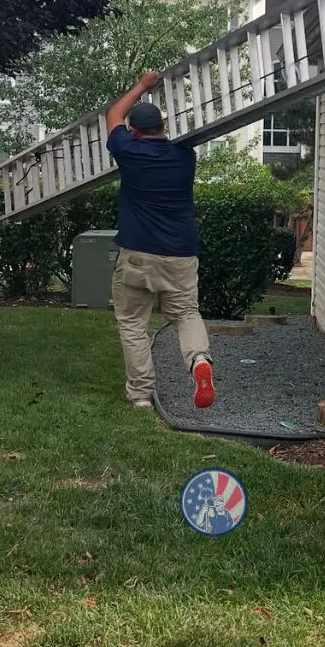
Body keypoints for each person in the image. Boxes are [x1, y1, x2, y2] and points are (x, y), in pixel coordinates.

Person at [106, 71, 216, 412]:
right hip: (181, 253)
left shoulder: (129, 151)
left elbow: (113, 116)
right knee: (186, 313)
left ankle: (140, 395)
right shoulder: (185, 157)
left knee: (133, 323)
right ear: (163, 128)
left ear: (135, 132)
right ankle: (199, 361)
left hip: (138, 254)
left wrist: (142, 85)